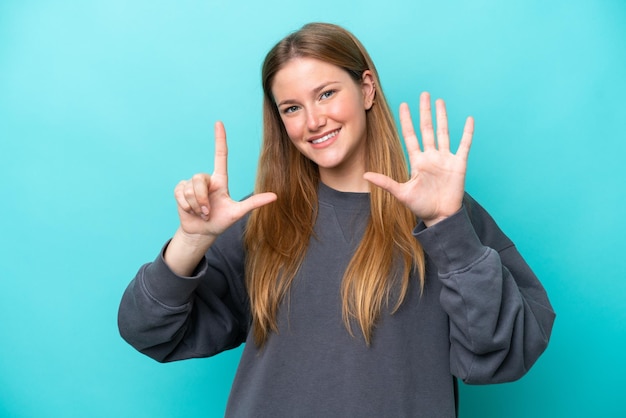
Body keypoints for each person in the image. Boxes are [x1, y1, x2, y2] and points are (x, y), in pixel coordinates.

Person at [118, 22, 555, 417]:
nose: (313, 121)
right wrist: (191, 242)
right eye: (291, 108)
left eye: (326, 93)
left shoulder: (445, 213)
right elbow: (149, 331)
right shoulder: (260, 219)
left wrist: (448, 227)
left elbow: (506, 353)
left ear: (366, 89)